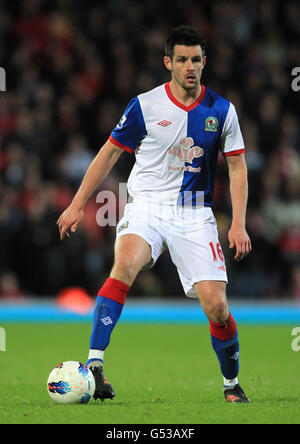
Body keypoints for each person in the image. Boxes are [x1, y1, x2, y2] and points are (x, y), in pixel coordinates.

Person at [57, 25, 252, 403]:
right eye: (182, 59)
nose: (189, 66)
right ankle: (95, 365)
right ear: (169, 63)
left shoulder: (223, 110)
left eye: (196, 59)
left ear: (204, 62)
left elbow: (238, 167)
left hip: (195, 215)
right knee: (125, 265)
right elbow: (109, 153)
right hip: (146, 205)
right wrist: (78, 203)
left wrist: (239, 222)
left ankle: (231, 383)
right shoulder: (144, 106)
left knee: (217, 306)